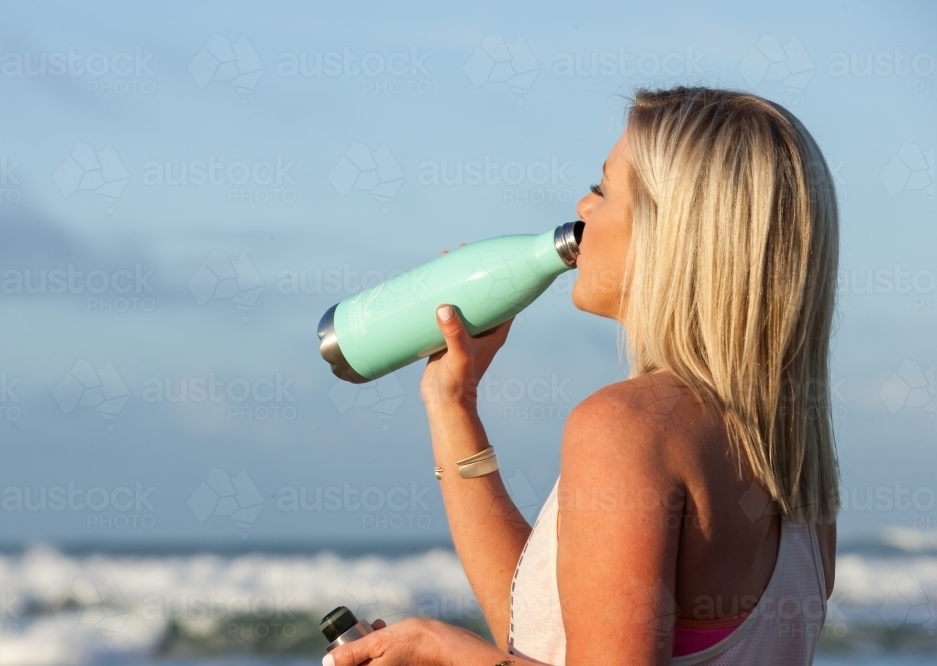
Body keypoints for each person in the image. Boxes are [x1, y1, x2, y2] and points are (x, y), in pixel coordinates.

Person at [326, 86, 840, 666]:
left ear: (669, 229)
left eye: (603, 188)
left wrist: (446, 652)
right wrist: (453, 402)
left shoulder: (626, 428)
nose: (583, 206)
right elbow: (547, 629)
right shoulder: (795, 459)